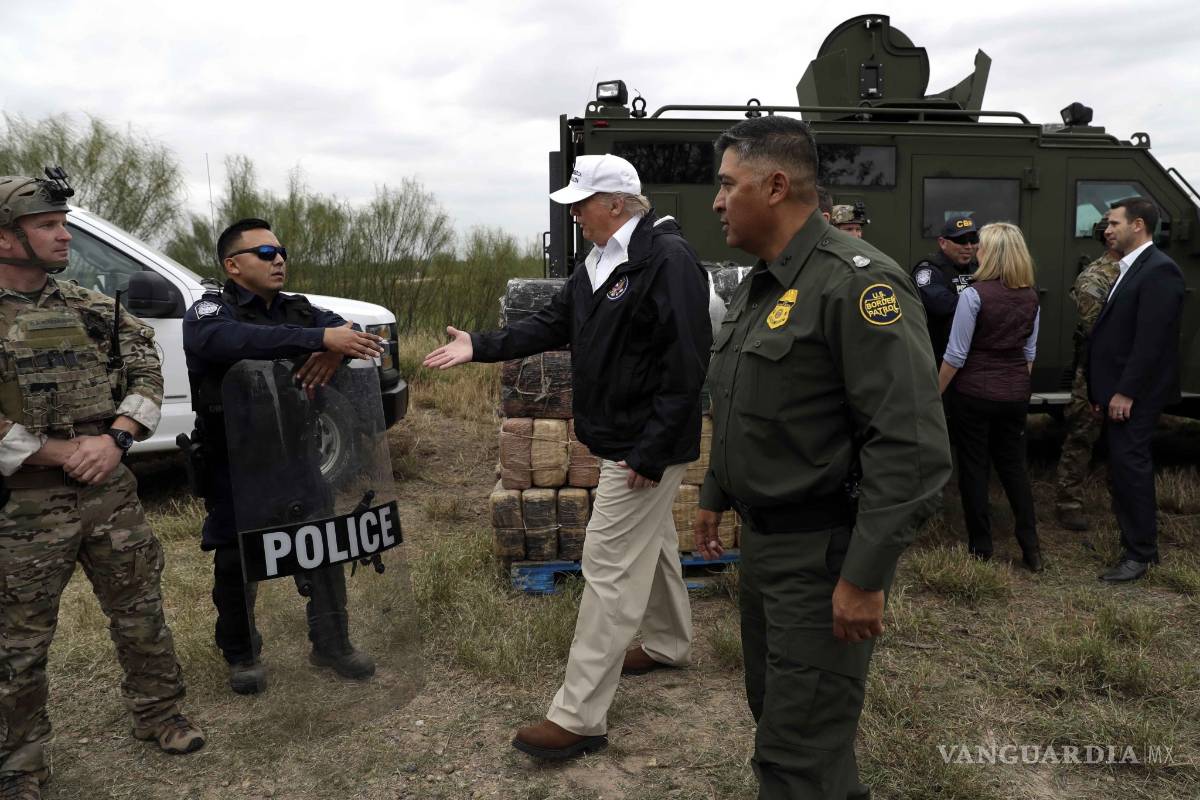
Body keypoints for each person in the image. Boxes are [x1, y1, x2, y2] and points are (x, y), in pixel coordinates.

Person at [424, 153, 711, 760]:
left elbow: (686, 364)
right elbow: (552, 322)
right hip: (620, 440)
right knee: (655, 541)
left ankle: (579, 716)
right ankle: (668, 644)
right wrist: (480, 345)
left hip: (643, 447)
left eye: (581, 204)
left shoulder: (668, 261)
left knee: (606, 567)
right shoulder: (598, 262)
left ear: (616, 203)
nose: (575, 214)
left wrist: (651, 452)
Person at [696, 117, 951, 799]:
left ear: (775, 186)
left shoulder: (855, 285)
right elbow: (742, 400)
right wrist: (715, 493)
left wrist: (864, 576)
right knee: (782, 717)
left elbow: (912, 448)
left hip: (821, 557)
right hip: (765, 548)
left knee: (796, 751)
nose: (717, 202)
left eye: (727, 185)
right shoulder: (763, 284)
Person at [0, 169, 204, 800]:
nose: (65, 236)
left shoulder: (91, 308)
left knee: (140, 611)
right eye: (47, 226)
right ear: (5, 239)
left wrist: (116, 437)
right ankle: (20, 764)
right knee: (19, 640)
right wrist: (54, 450)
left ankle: (160, 713)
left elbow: (148, 368)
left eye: (63, 224)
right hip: (23, 507)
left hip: (109, 493)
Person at [182, 218, 385, 693]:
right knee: (237, 558)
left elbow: (351, 332)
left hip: (296, 453)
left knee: (322, 545)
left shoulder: (299, 309)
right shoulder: (211, 310)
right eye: (265, 253)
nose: (279, 260)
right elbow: (223, 341)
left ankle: (332, 643)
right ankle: (242, 654)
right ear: (233, 265)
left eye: (282, 252)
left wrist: (334, 349)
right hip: (235, 459)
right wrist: (318, 341)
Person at [1088, 197, 1185, 583]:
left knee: (1131, 469)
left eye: (1114, 223)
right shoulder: (1132, 267)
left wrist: (1126, 392)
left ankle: (1141, 553)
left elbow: (1151, 342)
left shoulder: (1160, 271)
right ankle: (1133, 542)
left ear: (1138, 225)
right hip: (1117, 391)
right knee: (1123, 468)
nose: (1107, 229)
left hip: (1136, 395)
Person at [937, 223, 1043, 572]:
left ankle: (981, 547)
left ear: (992, 253)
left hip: (974, 394)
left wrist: (934, 394)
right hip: (1014, 395)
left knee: (974, 469)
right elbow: (1029, 353)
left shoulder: (974, 295)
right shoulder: (1031, 296)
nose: (975, 249)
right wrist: (1015, 386)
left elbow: (955, 356)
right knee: (1014, 469)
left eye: (980, 245)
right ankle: (1031, 548)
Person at [1053, 218, 1120, 531]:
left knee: (1127, 439)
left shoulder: (1140, 270)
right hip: (1095, 370)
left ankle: (1124, 501)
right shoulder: (1095, 276)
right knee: (1082, 435)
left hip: (1128, 370)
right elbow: (1097, 329)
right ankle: (1069, 503)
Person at [912, 215, 979, 363]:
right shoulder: (929, 270)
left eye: (973, 240)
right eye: (961, 240)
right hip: (938, 358)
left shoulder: (980, 268)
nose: (968, 246)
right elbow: (942, 305)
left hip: (974, 358)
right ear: (943, 243)